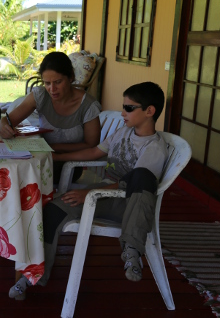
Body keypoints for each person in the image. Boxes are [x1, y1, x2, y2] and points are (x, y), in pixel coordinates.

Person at [9, 82, 168, 300]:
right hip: (102, 196)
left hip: (129, 205)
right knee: (49, 212)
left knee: (141, 175)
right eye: (123, 106)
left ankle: (132, 250)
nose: (123, 112)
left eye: (129, 108)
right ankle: (32, 275)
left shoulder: (154, 147)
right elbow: (94, 152)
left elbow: (138, 185)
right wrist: (53, 157)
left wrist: (89, 194)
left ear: (150, 111)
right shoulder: (124, 132)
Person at [0, 52, 101, 183]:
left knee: (16, 176)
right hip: (42, 157)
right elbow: (7, 120)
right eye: (47, 83)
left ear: (70, 77)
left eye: (58, 82)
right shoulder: (40, 95)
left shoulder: (88, 106)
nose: (52, 89)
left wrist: (54, 149)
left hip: (68, 166)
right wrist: (4, 126)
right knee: (7, 172)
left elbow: (91, 145)